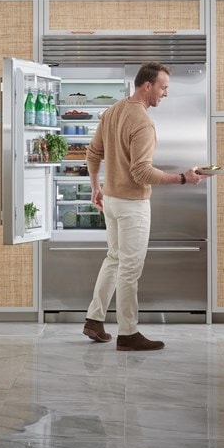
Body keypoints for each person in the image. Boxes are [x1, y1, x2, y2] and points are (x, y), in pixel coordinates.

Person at [82, 62, 208, 351]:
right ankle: (127, 333)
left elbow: (92, 152)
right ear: (147, 85)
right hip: (131, 205)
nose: (165, 94)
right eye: (163, 87)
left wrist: (96, 188)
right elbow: (141, 172)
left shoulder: (113, 110)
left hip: (111, 201)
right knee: (129, 268)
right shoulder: (142, 121)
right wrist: (183, 179)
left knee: (114, 259)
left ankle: (94, 319)